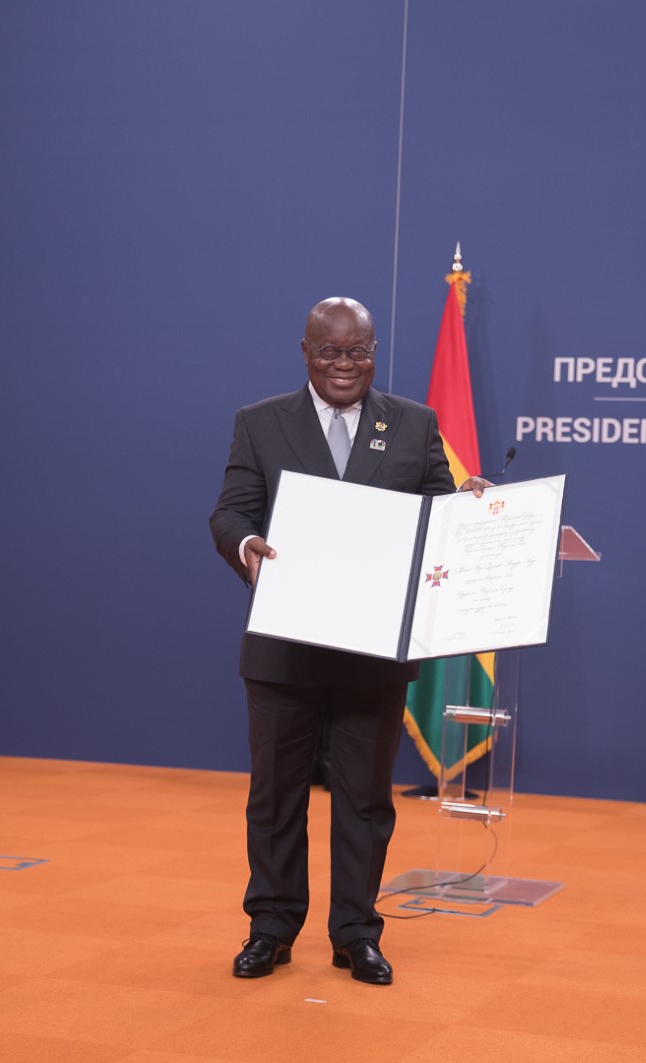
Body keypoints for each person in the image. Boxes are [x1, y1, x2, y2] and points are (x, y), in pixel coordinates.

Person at [210, 297, 486, 985]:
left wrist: (470, 507)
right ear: (305, 351)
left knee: (364, 799)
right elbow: (231, 511)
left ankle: (357, 933)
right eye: (329, 351)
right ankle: (271, 928)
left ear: (374, 352)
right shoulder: (259, 422)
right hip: (283, 649)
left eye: (357, 351)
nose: (343, 364)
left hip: (372, 652)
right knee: (276, 797)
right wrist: (246, 544)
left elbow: (438, 512)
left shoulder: (415, 423)